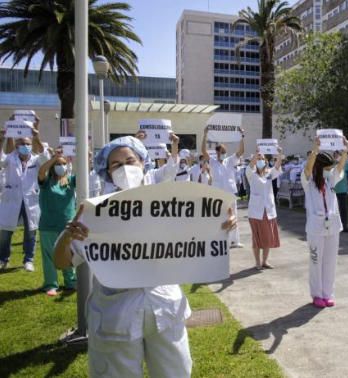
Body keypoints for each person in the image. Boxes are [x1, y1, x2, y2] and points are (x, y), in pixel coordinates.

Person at [53, 136, 238, 377]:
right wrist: (68, 237)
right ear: (107, 172)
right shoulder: (94, 212)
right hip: (115, 315)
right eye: (116, 165)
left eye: (130, 161)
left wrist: (219, 225)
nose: (125, 168)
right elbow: (62, 261)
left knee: (175, 373)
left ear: (144, 163)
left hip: (165, 307)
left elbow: (196, 234)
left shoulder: (171, 206)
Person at [302, 137, 348, 308]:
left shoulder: (330, 181)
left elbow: (341, 166)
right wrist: (315, 149)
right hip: (316, 228)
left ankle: (328, 293)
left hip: (332, 227)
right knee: (316, 262)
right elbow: (308, 168)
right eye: (327, 168)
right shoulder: (308, 182)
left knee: (330, 262)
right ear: (320, 168)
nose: (330, 171)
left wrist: (346, 150)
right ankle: (317, 294)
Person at [0, 116, 46, 271]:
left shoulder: (36, 159)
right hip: (12, 199)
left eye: (27, 144)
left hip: (30, 200)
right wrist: (3, 138)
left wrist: (37, 135)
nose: (24, 146)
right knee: (5, 232)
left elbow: (46, 156)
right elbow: (0, 161)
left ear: (31, 144)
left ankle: (29, 260)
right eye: (21, 144)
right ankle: (3, 259)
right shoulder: (10, 159)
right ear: (16, 145)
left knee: (31, 232)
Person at [37, 148, 77, 295]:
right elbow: (41, 172)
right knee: (49, 256)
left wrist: (86, 156)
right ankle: (51, 284)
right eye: (58, 164)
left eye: (64, 164)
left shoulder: (71, 181)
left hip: (67, 225)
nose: (61, 167)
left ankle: (70, 281)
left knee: (69, 254)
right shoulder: (46, 182)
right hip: (48, 225)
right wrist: (55, 158)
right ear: (53, 167)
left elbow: (85, 174)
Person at [202, 126, 245, 248]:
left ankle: (235, 241)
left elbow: (241, 151)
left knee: (233, 215)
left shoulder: (230, 161)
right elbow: (203, 151)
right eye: (221, 152)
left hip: (230, 193)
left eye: (224, 152)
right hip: (218, 194)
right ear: (217, 153)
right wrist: (205, 135)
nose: (223, 154)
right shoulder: (212, 162)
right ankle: (221, 240)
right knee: (220, 216)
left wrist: (242, 136)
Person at [246, 148, 283, 270]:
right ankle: (257, 262)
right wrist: (256, 155)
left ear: (266, 161)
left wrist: (279, 154)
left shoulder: (269, 173)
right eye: (258, 159)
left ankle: (264, 261)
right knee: (257, 239)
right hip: (256, 211)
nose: (260, 160)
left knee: (267, 237)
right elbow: (250, 165)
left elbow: (277, 166)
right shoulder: (251, 173)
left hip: (268, 210)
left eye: (262, 159)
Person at [333, 150, 348, 233]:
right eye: (335, 156)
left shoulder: (345, 164)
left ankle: (344, 226)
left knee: (343, 209)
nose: (337, 157)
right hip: (333, 190)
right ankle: (335, 226)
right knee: (334, 210)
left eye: (338, 155)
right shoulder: (331, 165)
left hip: (342, 190)